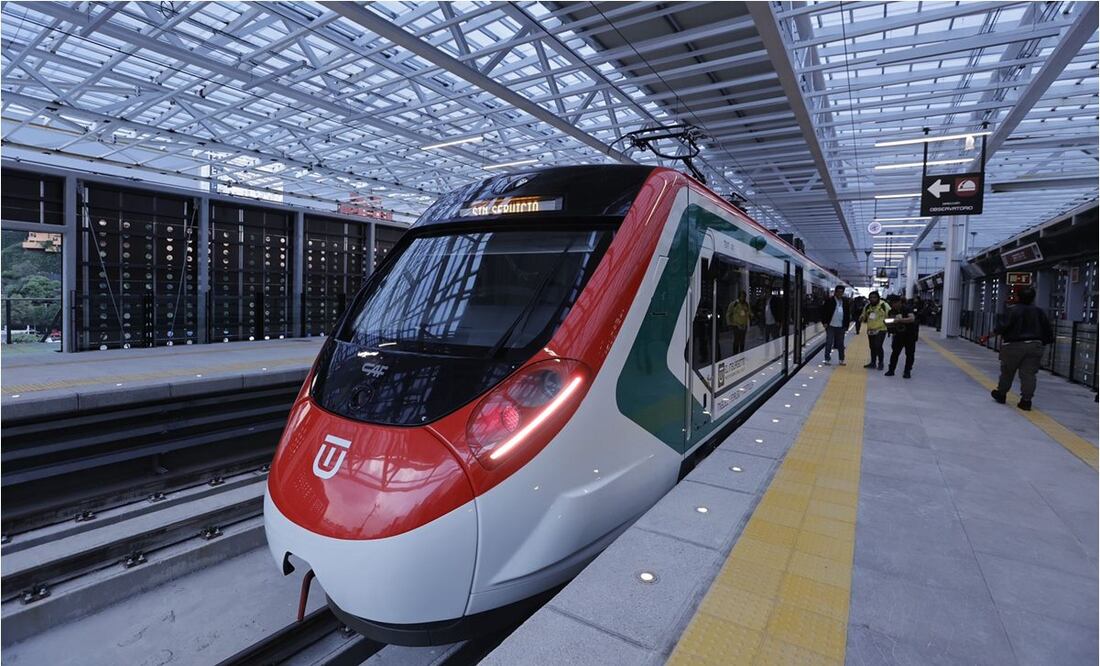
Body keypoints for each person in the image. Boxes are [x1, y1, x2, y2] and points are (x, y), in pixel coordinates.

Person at [981, 287, 1054, 411]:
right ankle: (1026, 401)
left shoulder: (1012, 310)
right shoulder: (1040, 312)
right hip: (1035, 345)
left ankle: (1001, 394)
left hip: (1013, 345)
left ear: (1018, 297)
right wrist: (1043, 345)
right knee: (1029, 374)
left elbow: (1002, 327)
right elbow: (1048, 331)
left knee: (1008, 371)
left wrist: (987, 336)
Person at [884, 295, 917, 378]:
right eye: (892, 303)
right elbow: (890, 321)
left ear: (900, 302)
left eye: (895, 303)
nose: (894, 305)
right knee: (895, 353)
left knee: (909, 354)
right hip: (898, 335)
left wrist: (900, 320)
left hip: (910, 335)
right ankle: (891, 370)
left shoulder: (907, 309)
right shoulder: (891, 311)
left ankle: (907, 371)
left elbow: (912, 318)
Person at [859, 291, 890, 370]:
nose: (872, 299)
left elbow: (890, 314)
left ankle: (880, 363)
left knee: (878, 346)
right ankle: (873, 362)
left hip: (881, 329)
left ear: (878, 298)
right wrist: (861, 318)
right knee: (872, 346)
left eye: (874, 297)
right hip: (871, 330)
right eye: (871, 298)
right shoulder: (867, 306)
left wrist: (889, 325)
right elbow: (863, 315)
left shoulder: (884, 305)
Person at [820, 285, 850, 366]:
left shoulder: (845, 301)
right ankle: (827, 359)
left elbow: (847, 314)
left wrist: (847, 325)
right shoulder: (829, 300)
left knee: (841, 344)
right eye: (838, 292)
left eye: (841, 292)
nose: (840, 293)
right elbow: (823, 312)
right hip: (831, 325)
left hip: (841, 326)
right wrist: (824, 322)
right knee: (829, 342)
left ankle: (841, 359)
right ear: (835, 292)